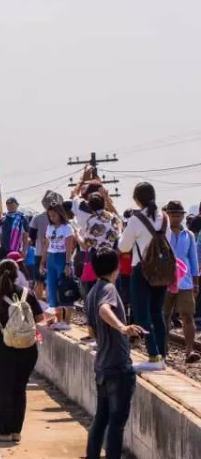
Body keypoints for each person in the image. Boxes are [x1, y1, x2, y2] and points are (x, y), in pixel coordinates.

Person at [0, 259, 44, 443]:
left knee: (4, 390)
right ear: (17, 274)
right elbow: (39, 317)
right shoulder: (27, 293)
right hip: (28, 348)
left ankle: (4, 431)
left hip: (3, 349)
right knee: (19, 389)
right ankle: (16, 432)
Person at [85, 246, 142, 459]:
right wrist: (123, 328)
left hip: (102, 365)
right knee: (117, 424)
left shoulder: (91, 292)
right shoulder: (108, 289)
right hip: (118, 365)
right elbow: (104, 309)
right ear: (115, 266)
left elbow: (91, 330)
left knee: (101, 419)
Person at [119, 182, 169, 371]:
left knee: (142, 314)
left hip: (141, 270)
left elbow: (123, 247)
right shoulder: (164, 218)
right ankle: (162, 356)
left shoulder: (135, 219)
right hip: (162, 271)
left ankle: (153, 355)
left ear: (137, 199)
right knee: (157, 313)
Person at [163, 201, 200, 363]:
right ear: (167, 215)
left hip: (184, 282)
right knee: (164, 316)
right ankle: (162, 351)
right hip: (164, 281)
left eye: (179, 215)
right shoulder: (161, 233)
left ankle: (189, 351)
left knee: (187, 316)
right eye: (173, 215)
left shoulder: (189, 235)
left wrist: (196, 282)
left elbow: (193, 259)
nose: (177, 218)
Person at [41, 203, 76, 329]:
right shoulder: (49, 227)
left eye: (54, 215)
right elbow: (46, 245)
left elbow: (69, 247)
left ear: (60, 214)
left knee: (65, 288)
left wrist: (67, 264)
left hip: (62, 258)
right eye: (50, 215)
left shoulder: (67, 228)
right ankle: (58, 319)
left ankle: (67, 322)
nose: (52, 217)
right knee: (52, 288)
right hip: (51, 258)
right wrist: (42, 262)